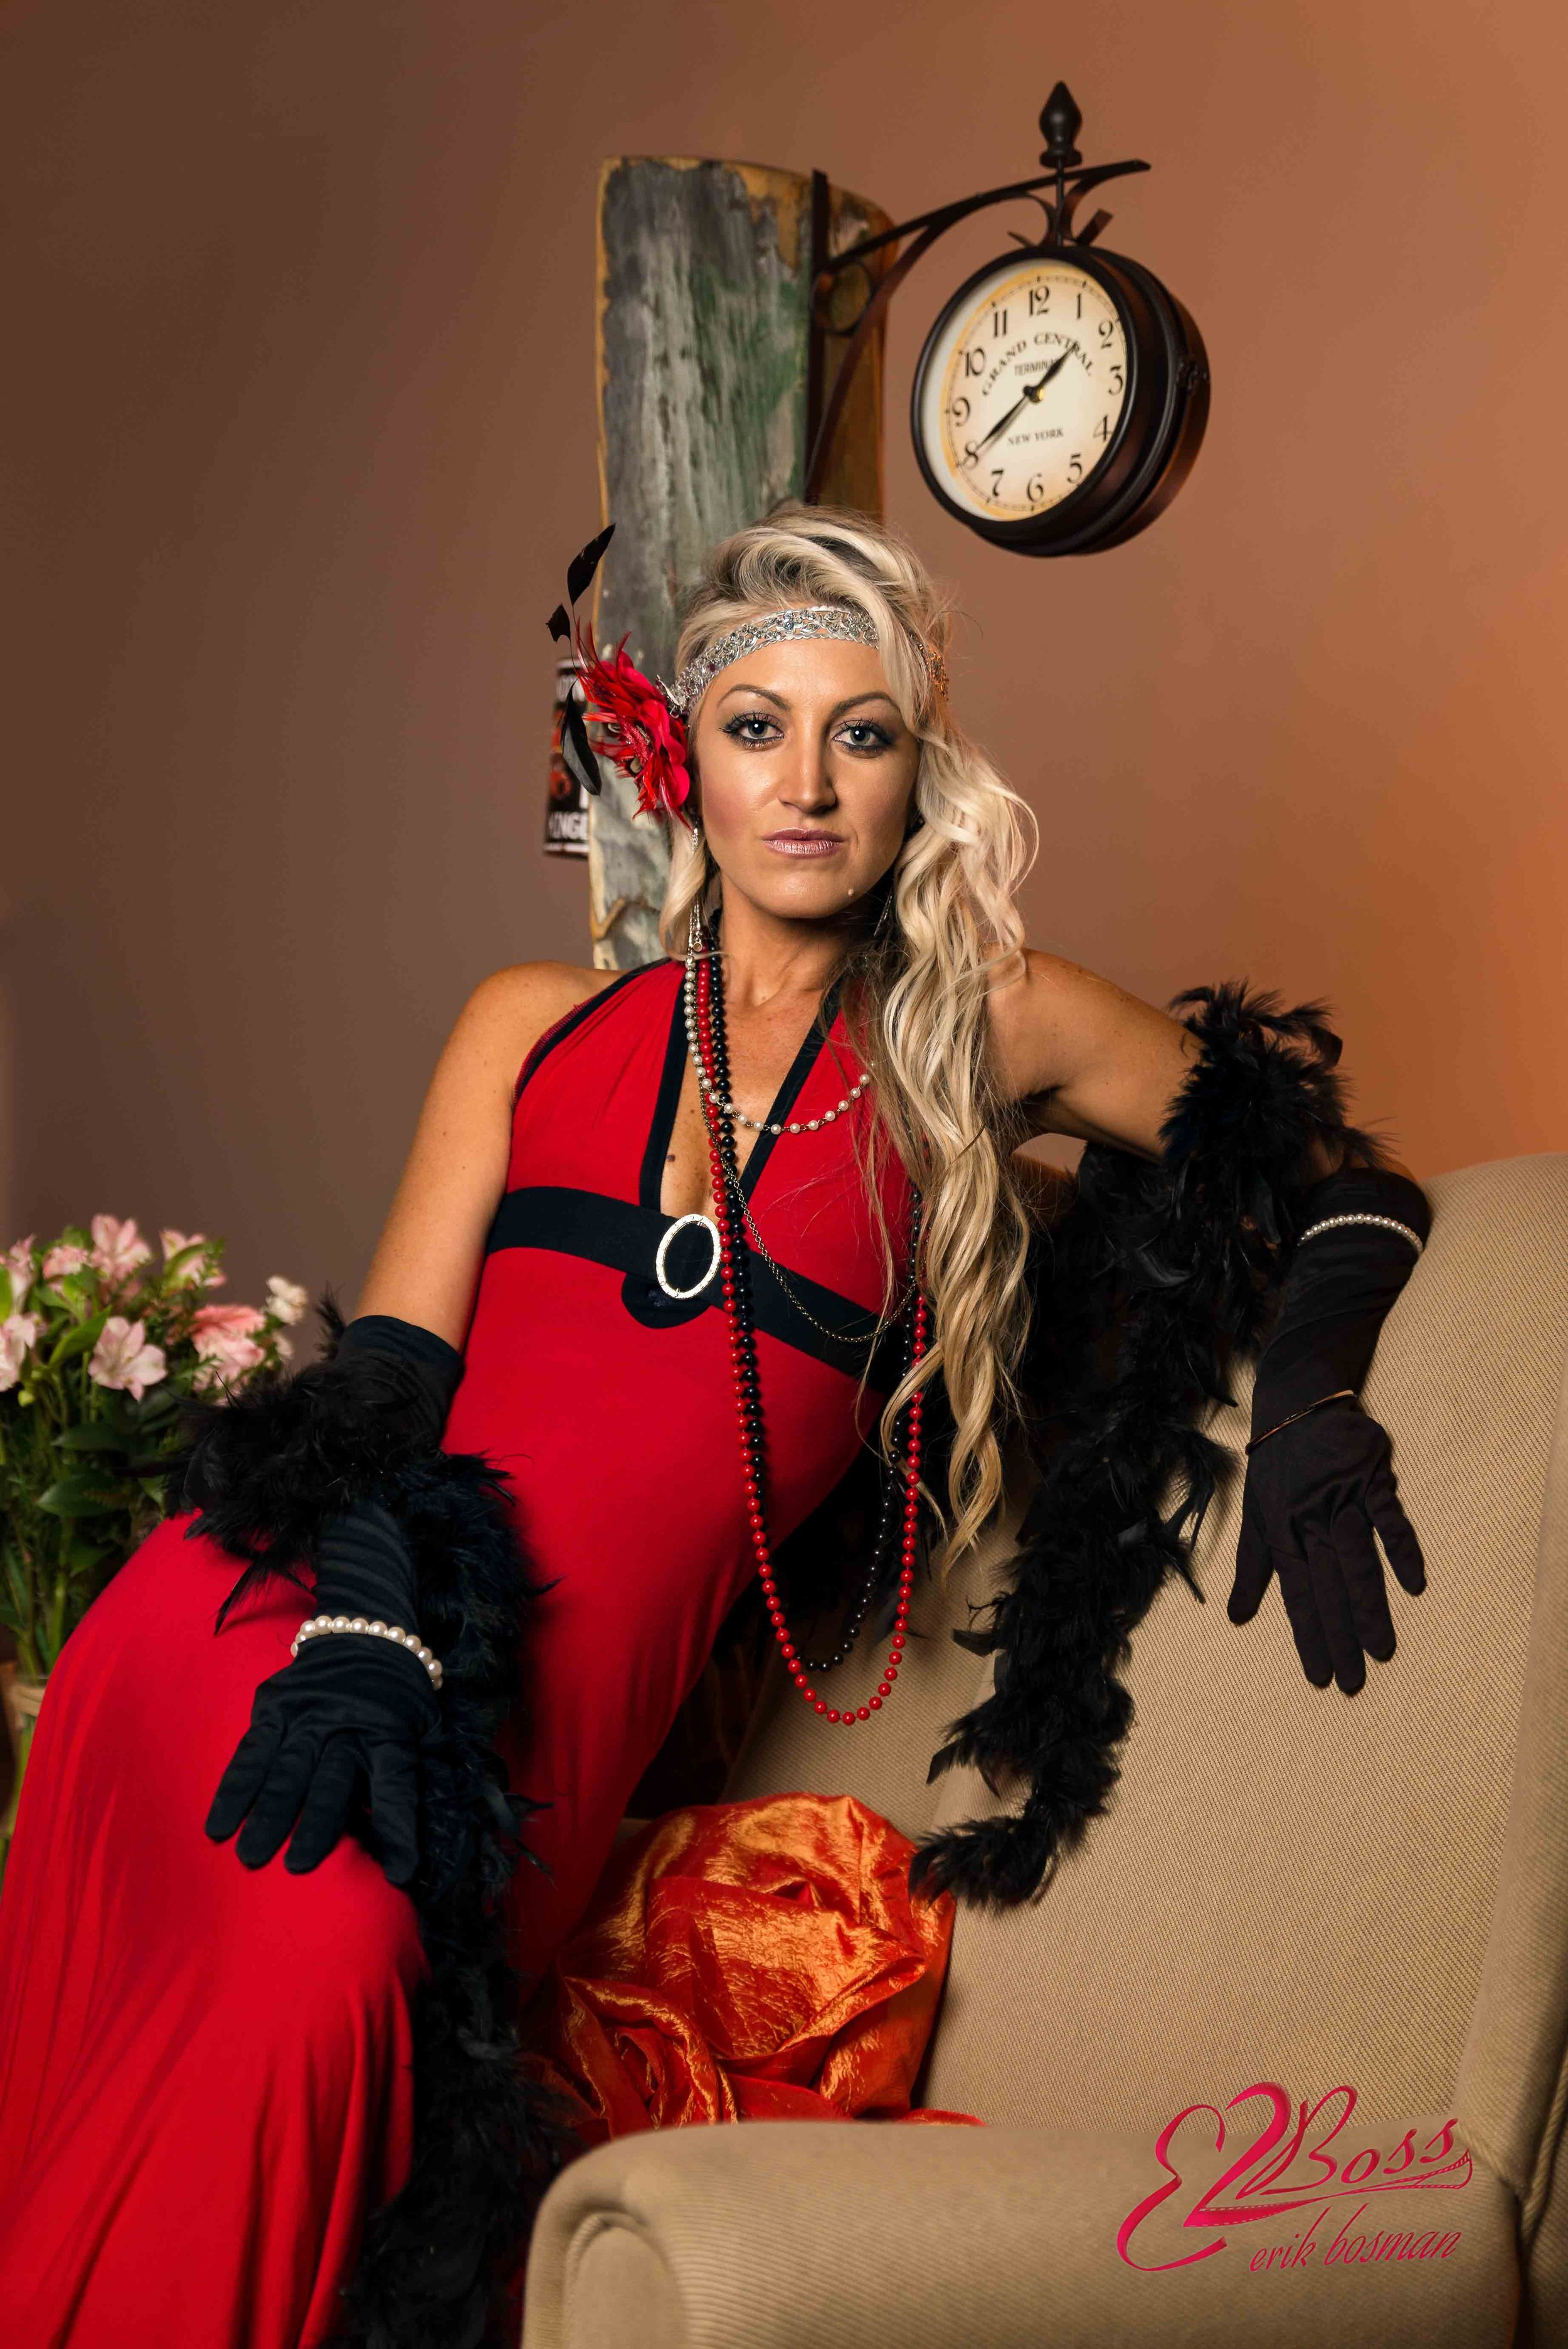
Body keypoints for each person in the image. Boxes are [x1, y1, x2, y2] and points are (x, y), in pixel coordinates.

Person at [0, 504, 1432, 2348]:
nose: (809, 782)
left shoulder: (990, 1030)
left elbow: (1335, 1177)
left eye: (863, 729)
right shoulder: (529, 1023)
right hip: (275, 1629)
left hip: (514, 1743)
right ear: (691, 760)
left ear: (924, 764)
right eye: (759, 725)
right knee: (293, 1970)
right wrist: (360, 1617)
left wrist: (1312, 1396)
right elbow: (386, 1380)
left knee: (336, 1992)